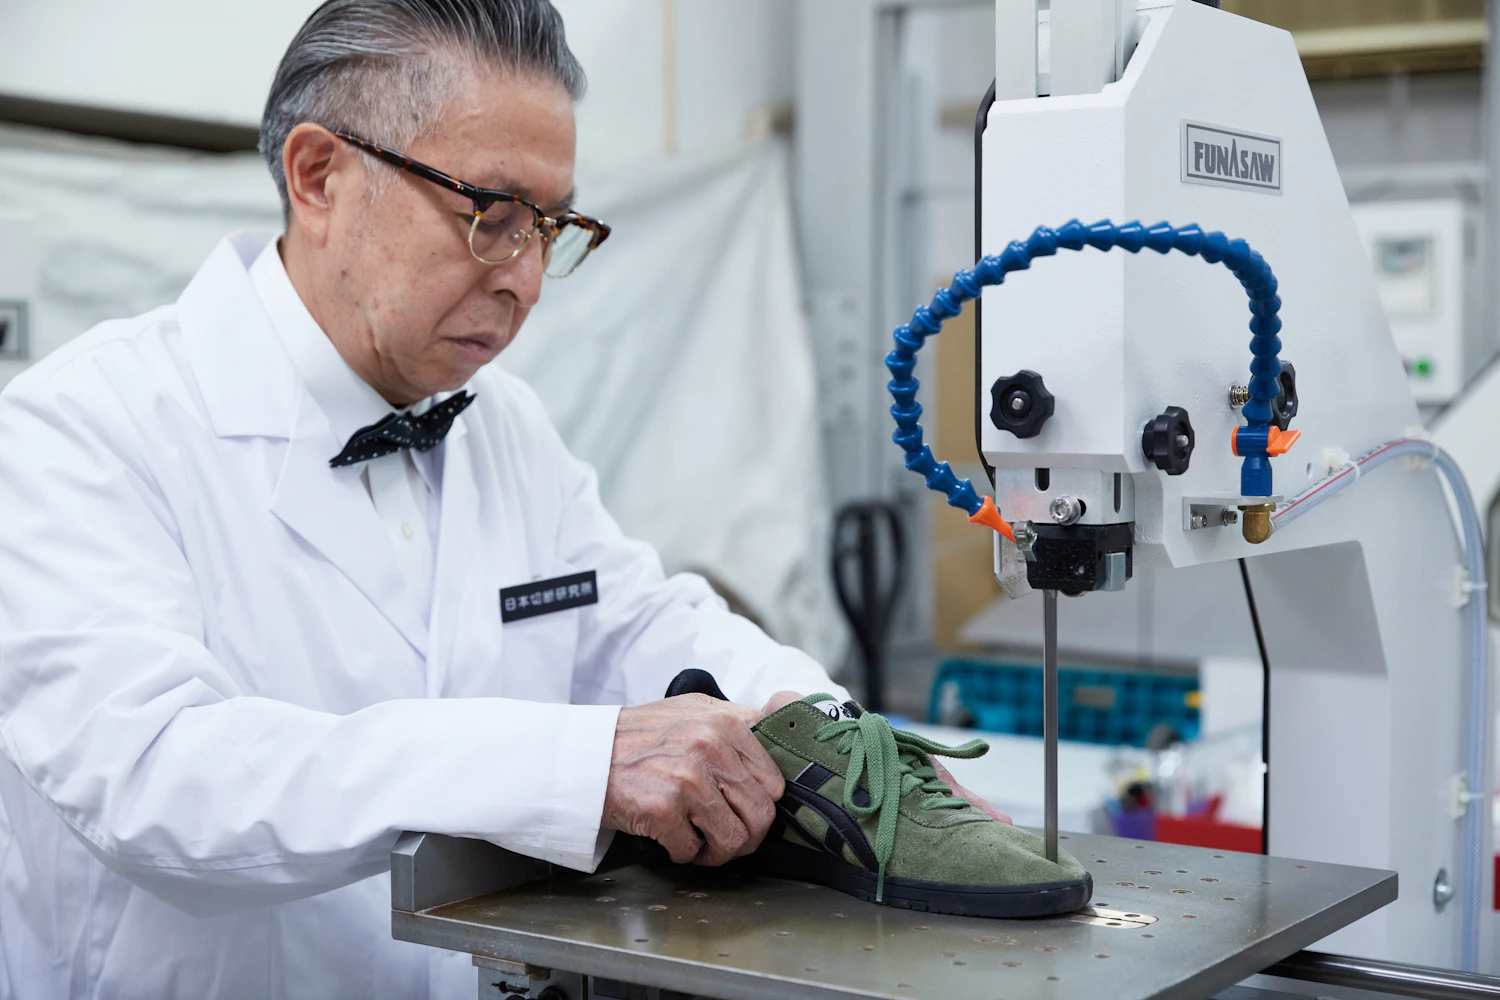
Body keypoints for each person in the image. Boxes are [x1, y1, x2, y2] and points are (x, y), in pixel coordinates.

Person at [0, 2, 849, 996]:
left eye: (551, 226)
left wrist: (828, 731)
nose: (526, 279)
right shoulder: (85, 425)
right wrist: (573, 764)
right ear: (319, 177)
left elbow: (638, 621)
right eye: (490, 214)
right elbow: (160, 780)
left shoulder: (502, 427)